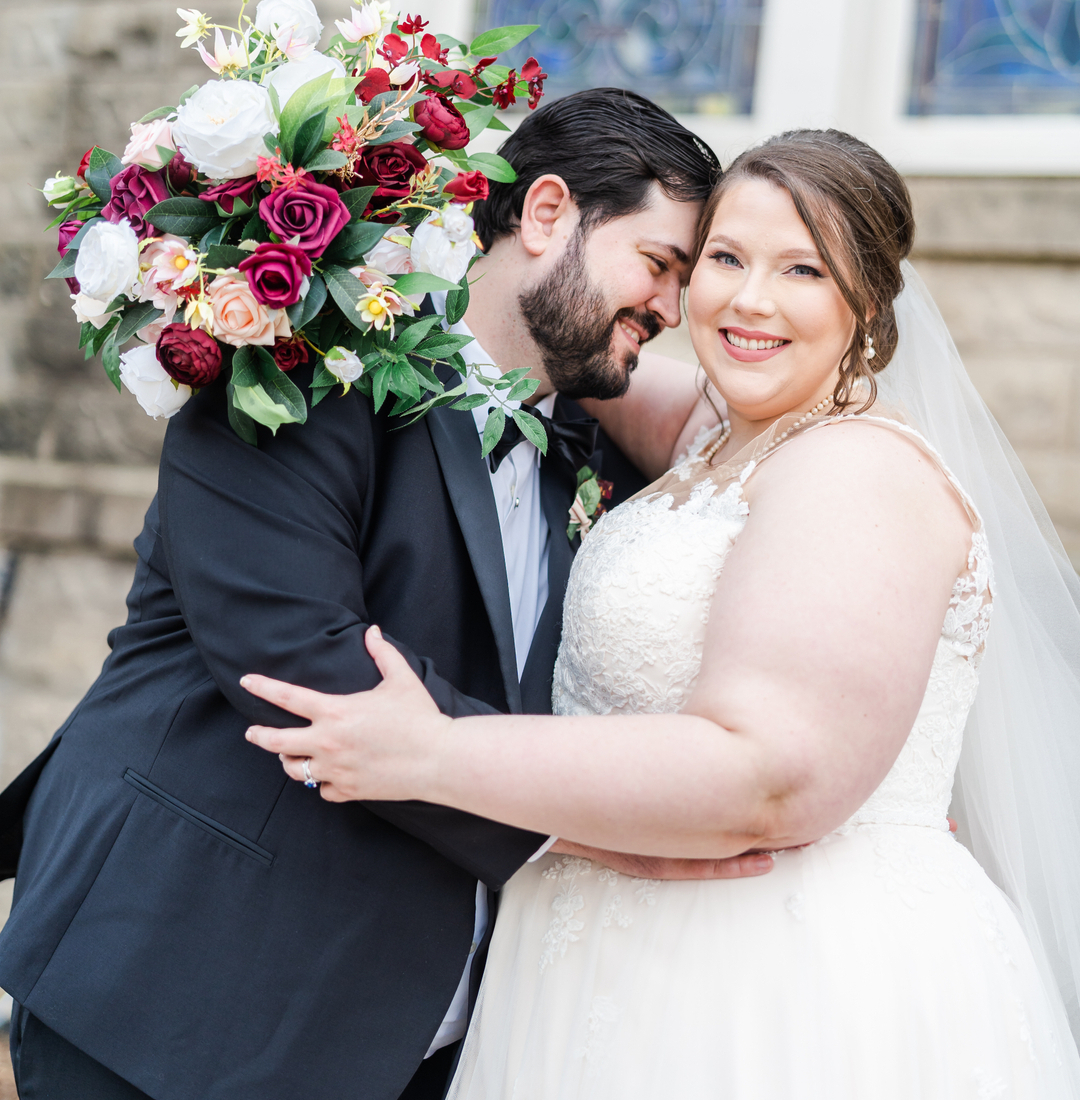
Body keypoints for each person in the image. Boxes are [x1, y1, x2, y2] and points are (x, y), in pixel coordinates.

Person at [245, 129, 1080, 1098]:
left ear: (869, 300)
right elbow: (555, 339)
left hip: (772, 981)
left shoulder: (856, 470)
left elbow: (768, 775)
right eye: (724, 258)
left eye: (803, 268)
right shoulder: (723, 436)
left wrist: (434, 755)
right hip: (590, 971)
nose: (750, 299)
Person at [0, 88, 773, 1100]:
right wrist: (612, 831)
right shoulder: (296, 371)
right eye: (660, 265)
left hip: (410, 1038)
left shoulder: (596, 460)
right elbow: (304, 669)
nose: (672, 310)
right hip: (176, 983)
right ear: (546, 215)